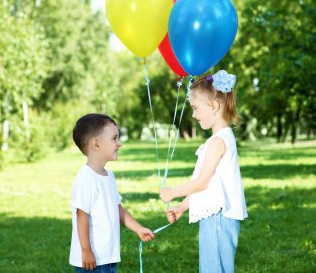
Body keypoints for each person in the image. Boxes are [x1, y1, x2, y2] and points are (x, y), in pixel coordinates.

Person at [159, 70, 248, 273]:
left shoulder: (218, 142)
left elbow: (202, 183)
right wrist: (182, 207)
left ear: (214, 106)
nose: (193, 114)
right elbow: (209, 187)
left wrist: (173, 192)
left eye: (196, 108)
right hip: (217, 216)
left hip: (217, 218)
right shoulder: (221, 139)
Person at [69, 113, 154, 272]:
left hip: (107, 257)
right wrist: (86, 251)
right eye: (114, 138)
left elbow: (117, 208)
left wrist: (138, 228)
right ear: (96, 144)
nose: (119, 143)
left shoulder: (109, 176)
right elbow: (81, 215)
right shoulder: (86, 178)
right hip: (92, 259)